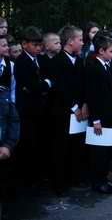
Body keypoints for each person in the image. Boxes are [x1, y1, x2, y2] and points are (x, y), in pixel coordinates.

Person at [48, 26, 88, 194]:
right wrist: (74, 108)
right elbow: (59, 87)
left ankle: (75, 177)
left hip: (80, 111)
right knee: (61, 148)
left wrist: (84, 105)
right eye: (80, 39)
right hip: (63, 112)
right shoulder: (56, 62)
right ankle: (59, 184)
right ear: (70, 41)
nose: (82, 42)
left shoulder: (79, 60)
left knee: (77, 145)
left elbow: (84, 85)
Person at [14, 26, 52, 192]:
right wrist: (45, 84)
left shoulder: (41, 60)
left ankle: (40, 176)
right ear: (24, 44)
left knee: (41, 143)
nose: (38, 48)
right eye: (35, 45)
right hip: (28, 111)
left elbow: (45, 81)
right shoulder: (21, 62)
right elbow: (32, 86)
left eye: (39, 45)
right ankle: (29, 180)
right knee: (29, 144)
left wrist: (43, 85)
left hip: (41, 110)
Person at [85, 34, 112, 194]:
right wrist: (96, 119)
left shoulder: (107, 65)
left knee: (107, 150)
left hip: (110, 115)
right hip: (100, 117)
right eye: (111, 51)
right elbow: (93, 96)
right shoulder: (93, 67)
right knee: (99, 151)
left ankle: (105, 179)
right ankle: (98, 182)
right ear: (101, 51)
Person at [0, 34, 18, 220]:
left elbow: (12, 101)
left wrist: (8, 143)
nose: (6, 47)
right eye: (2, 45)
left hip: (4, 125)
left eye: (6, 44)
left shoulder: (10, 68)